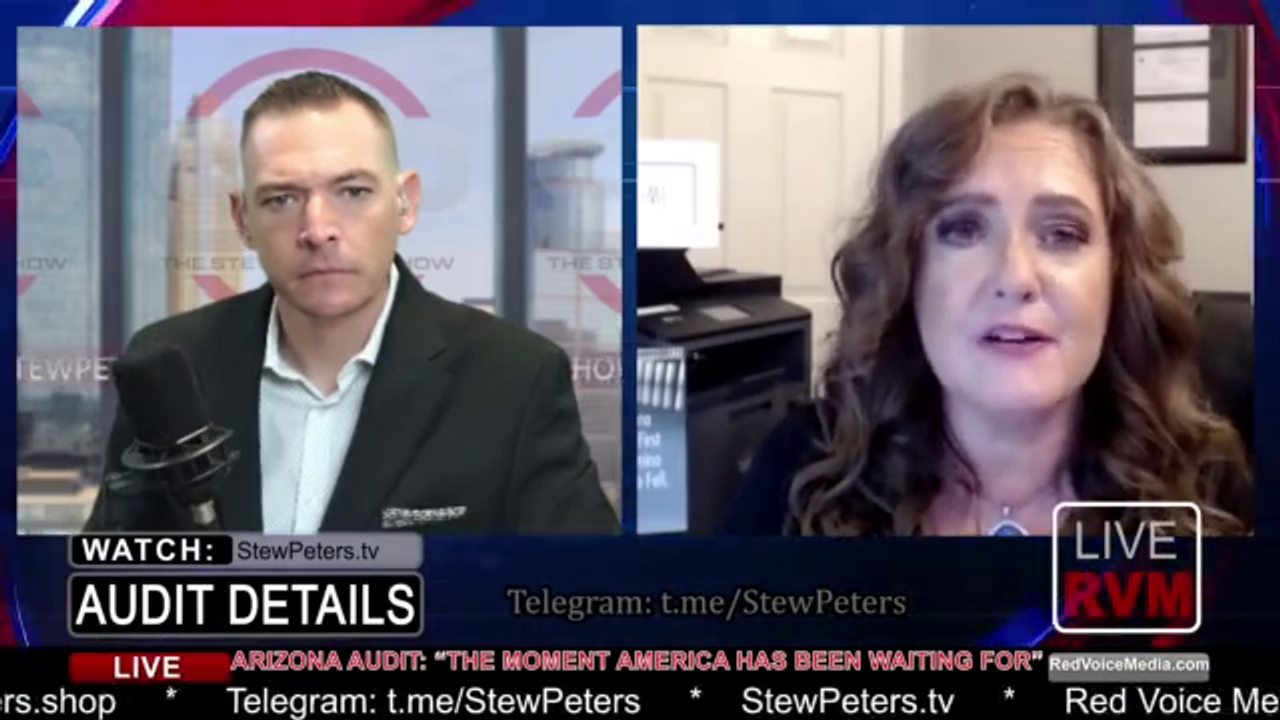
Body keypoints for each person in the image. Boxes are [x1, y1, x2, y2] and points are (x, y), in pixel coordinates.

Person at [85, 71, 619, 534]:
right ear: (242, 220)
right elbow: (102, 586)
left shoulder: (515, 378)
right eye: (282, 198)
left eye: (353, 192)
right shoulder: (172, 364)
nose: (318, 229)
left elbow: (580, 596)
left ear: (405, 203)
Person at [723, 73, 1252, 537]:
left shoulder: (1209, 488)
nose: (1016, 278)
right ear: (907, 272)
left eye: (1062, 233)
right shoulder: (802, 475)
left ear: (1118, 276)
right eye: (964, 229)